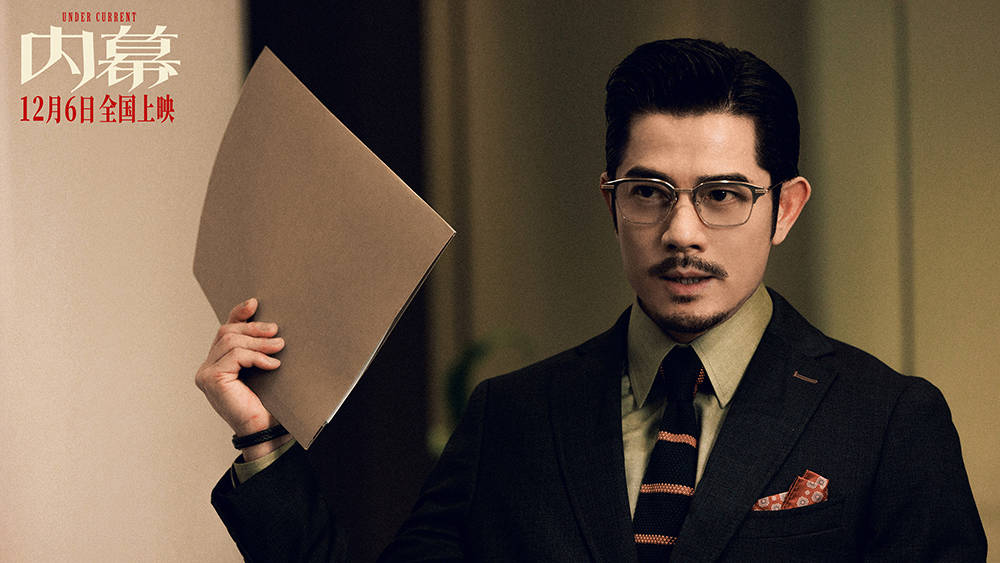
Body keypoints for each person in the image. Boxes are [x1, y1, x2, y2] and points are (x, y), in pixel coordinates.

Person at [196, 38, 987, 561]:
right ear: (610, 201)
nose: (682, 232)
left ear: (785, 207)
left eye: (722, 194)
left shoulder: (887, 421)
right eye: (649, 191)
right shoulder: (512, 419)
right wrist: (262, 436)